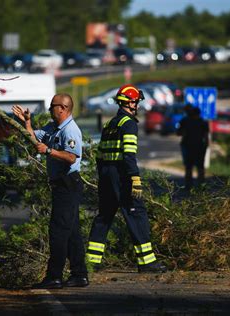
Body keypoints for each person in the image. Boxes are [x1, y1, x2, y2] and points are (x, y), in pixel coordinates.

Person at [86, 84, 167, 273]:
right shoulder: (129, 124)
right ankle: (147, 262)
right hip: (122, 176)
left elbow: (100, 156)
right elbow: (129, 155)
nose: (137, 105)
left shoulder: (110, 124)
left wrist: (104, 178)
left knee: (104, 217)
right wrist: (135, 179)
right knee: (136, 215)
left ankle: (91, 262)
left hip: (107, 175)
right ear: (129, 103)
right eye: (136, 101)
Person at [12, 94, 88, 289]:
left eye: (52, 107)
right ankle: (79, 274)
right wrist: (27, 123)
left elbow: (71, 157)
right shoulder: (53, 127)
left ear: (62, 108)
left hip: (68, 184)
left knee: (58, 232)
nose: (50, 110)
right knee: (71, 232)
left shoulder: (70, 130)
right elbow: (35, 140)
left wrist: (49, 151)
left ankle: (54, 276)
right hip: (60, 184)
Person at [176, 105, 209, 190]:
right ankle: (201, 185)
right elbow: (206, 137)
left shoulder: (186, 121)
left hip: (188, 146)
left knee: (189, 167)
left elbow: (178, 133)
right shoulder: (202, 122)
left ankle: (189, 185)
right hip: (199, 146)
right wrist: (206, 146)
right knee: (199, 167)